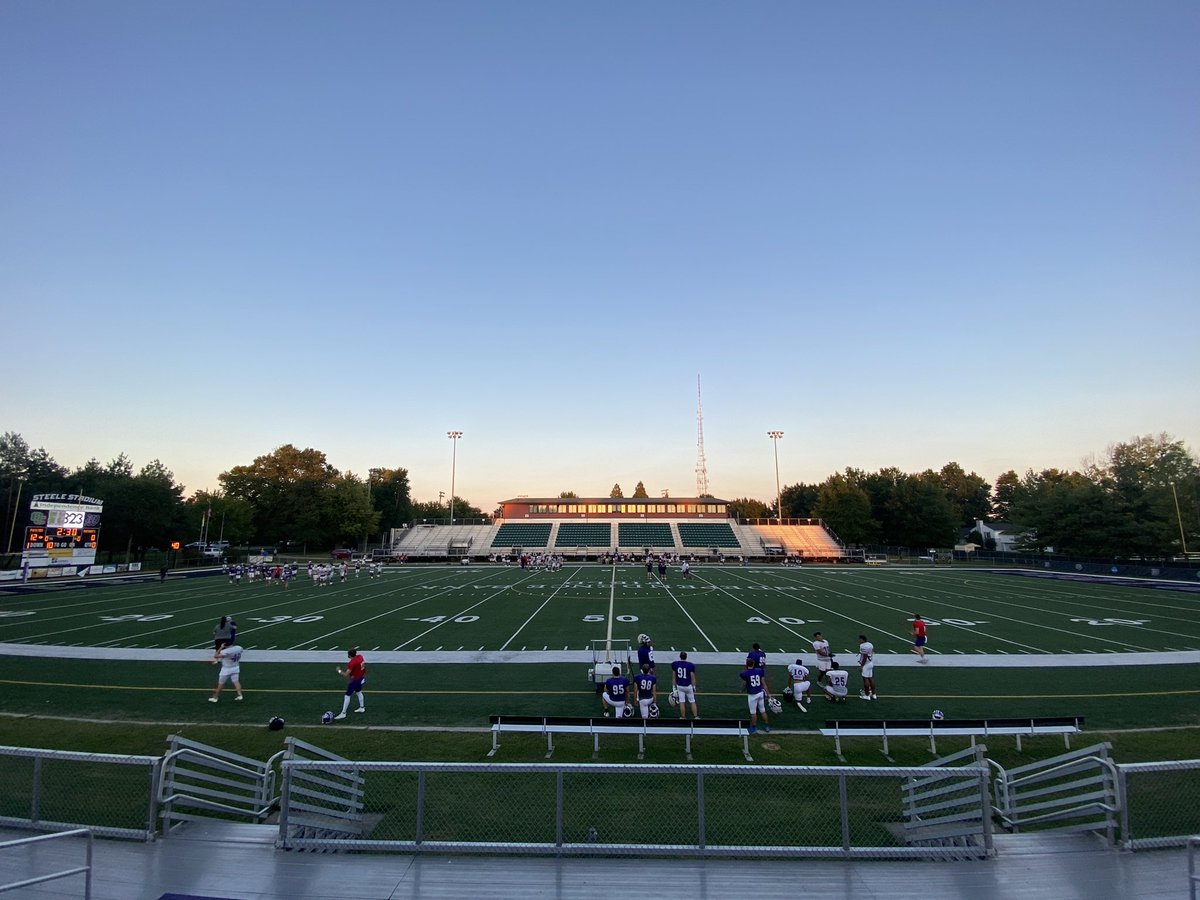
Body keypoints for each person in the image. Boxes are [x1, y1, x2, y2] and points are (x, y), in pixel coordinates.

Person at [738, 656, 771, 734]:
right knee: (763, 711)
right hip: (760, 693)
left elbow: (745, 682)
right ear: (754, 664)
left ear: (746, 664)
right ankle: (767, 726)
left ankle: (754, 727)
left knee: (753, 712)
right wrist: (768, 694)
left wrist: (741, 690)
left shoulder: (744, 673)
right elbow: (763, 683)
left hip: (752, 695)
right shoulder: (760, 671)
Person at [334, 647, 367, 719]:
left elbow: (346, 674)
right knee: (358, 692)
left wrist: (339, 671)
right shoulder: (360, 656)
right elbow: (363, 666)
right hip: (361, 677)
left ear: (349, 655)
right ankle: (362, 707)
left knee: (347, 695)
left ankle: (343, 713)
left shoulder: (352, 663)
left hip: (355, 680)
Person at [670, 651, 699, 719]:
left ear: (680, 657)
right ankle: (696, 716)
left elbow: (674, 676)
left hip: (680, 686)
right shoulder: (690, 665)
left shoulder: (675, 664)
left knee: (682, 701)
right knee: (692, 701)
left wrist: (674, 687)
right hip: (688, 686)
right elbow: (692, 677)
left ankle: (683, 717)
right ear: (686, 657)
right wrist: (694, 686)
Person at [858, 635, 876, 700]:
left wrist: (861, 666)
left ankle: (867, 695)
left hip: (866, 664)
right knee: (870, 678)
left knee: (865, 679)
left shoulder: (862, 646)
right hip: (870, 663)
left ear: (862, 640)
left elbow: (865, 657)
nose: (858, 640)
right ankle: (874, 694)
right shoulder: (870, 644)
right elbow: (872, 651)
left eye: (859, 639)